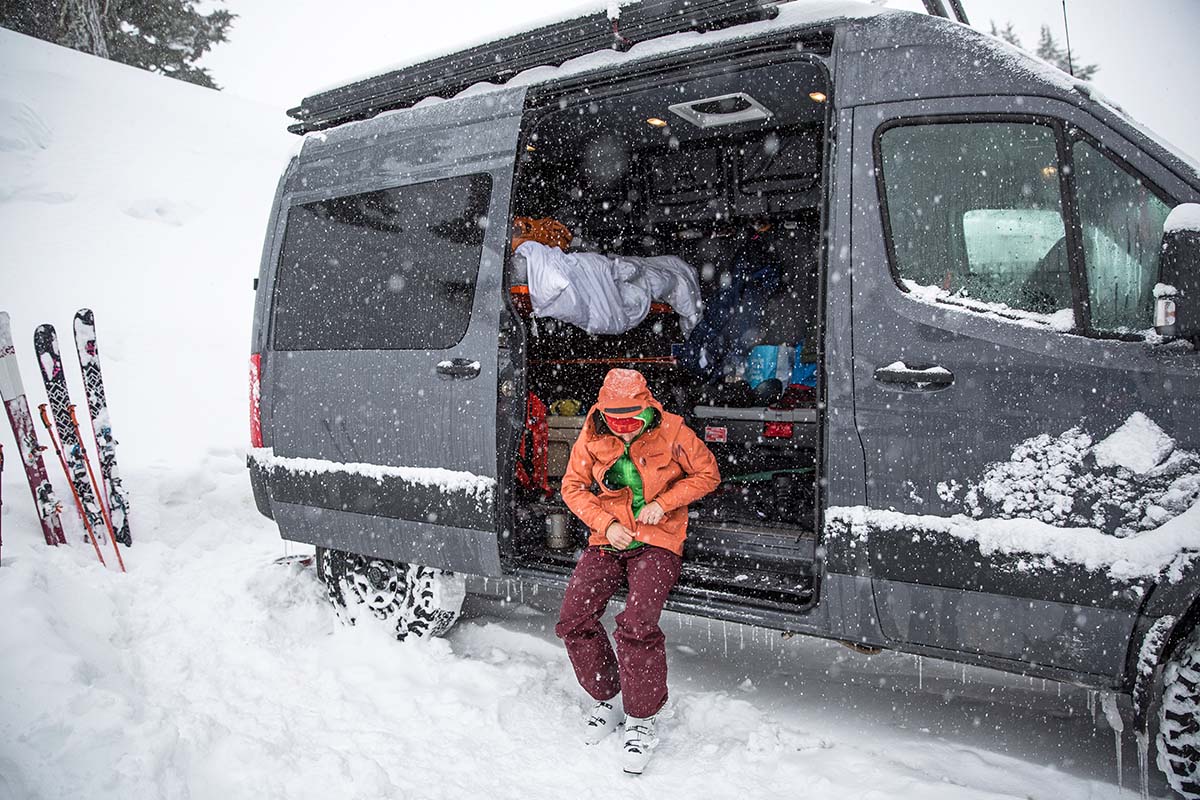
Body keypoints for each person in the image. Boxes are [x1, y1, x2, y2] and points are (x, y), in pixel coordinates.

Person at [556, 368, 721, 775]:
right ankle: (610, 697)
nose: (625, 430)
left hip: (658, 539)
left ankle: (642, 720)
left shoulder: (675, 432)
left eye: (632, 421)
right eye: (616, 422)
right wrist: (606, 524)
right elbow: (572, 487)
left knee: (636, 623)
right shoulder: (593, 433)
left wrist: (664, 503)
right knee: (573, 617)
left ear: (647, 409)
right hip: (609, 536)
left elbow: (708, 474)